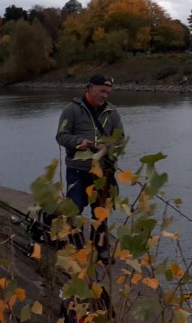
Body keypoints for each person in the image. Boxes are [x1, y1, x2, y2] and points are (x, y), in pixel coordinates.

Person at [55, 74, 125, 262]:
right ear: (90, 87)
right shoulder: (71, 110)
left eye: (108, 93)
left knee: (101, 212)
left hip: (103, 171)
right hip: (77, 170)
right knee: (74, 210)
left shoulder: (112, 112)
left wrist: (106, 147)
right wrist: (79, 142)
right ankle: (77, 247)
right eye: (101, 91)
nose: (104, 96)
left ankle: (101, 249)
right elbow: (61, 136)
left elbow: (120, 139)